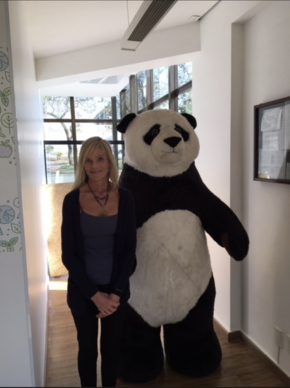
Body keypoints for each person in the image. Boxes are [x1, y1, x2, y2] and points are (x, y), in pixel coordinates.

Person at [61, 136, 137, 387]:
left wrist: (114, 295)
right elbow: (69, 255)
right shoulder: (72, 200)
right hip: (84, 293)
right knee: (87, 352)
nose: (94, 165)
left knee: (112, 350)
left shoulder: (125, 198)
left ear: (109, 162)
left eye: (100, 159)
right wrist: (96, 296)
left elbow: (129, 250)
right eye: (89, 160)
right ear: (82, 164)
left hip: (116, 291)